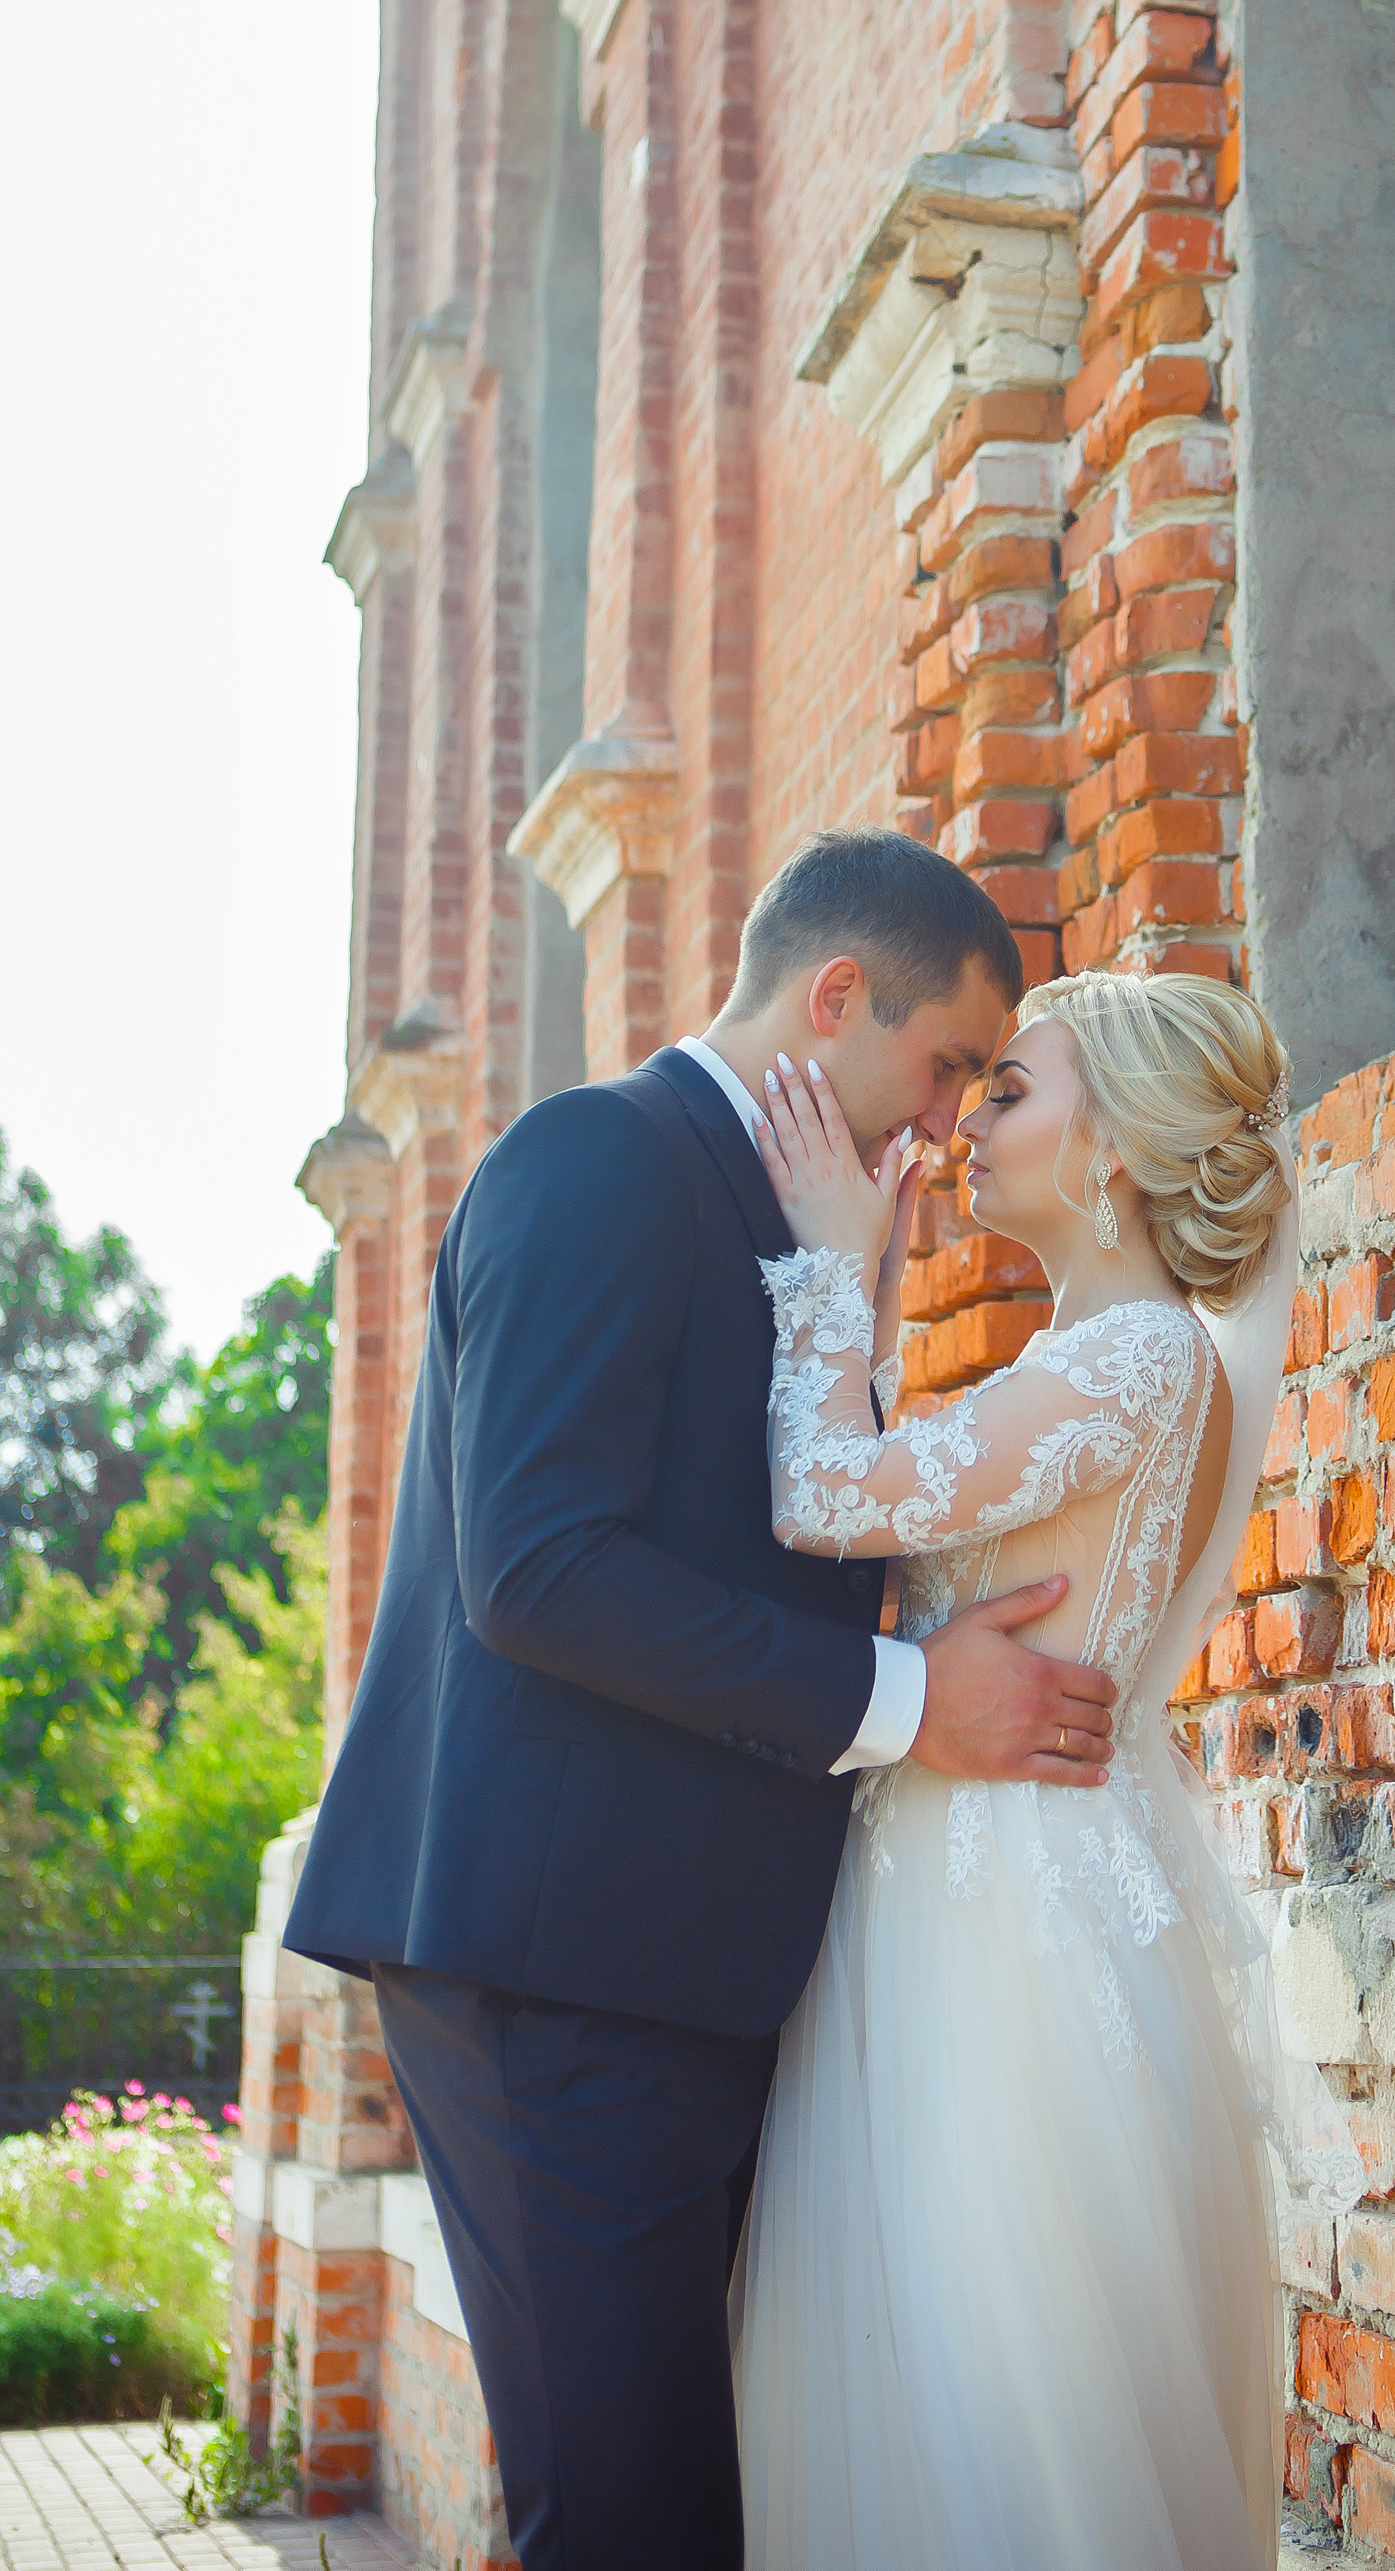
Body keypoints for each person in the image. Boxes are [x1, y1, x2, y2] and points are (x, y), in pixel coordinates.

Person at [282, 831, 1121, 2571]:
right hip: (551, 1968)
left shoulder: (792, 1220)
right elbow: (541, 1568)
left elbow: (773, 1522)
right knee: (633, 2522)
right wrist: (908, 1702)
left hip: (675, 1967)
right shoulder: (597, 1160)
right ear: (834, 999)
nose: (950, 1113)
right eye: (945, 1059)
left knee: (661, 2505)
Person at [733, 964, 1322, 2571]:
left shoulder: (1133, 1358)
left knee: (1001, 2397)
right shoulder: (1098, 1356)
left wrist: (828, 1271)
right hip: (989, 1882)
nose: (970, 1122)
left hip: (1002, 1931)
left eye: (1012, 1091)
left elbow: (824, 1497)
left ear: (1115, 1144)